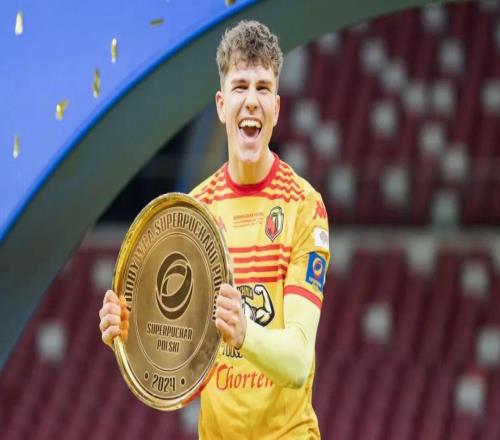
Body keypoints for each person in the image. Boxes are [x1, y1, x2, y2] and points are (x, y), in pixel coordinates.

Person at [99, 20, 330, 439]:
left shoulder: (303, 206)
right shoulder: (195, 213)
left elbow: (298, 362)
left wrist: (244, 333)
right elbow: (181, 360)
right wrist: (131, 333)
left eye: (263, 88)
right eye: (240, 87)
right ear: (222, 105)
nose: (252, 101)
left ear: (277, 108)